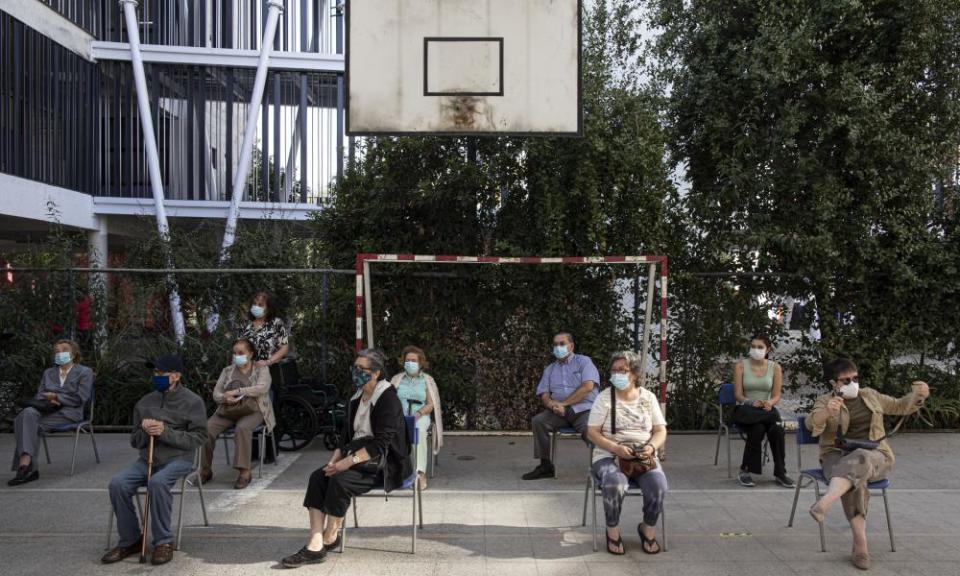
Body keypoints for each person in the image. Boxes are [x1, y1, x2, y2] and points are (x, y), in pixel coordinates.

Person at [281, 349, 412, 568]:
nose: (356, 372)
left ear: (377, 372)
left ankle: (330, 536)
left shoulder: (388, 398)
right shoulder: (355, 398)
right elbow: (345, 440)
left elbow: (381, 444)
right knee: (318, 477)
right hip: (358, 457)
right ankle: (315, 541)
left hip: (386, 464)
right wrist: (334, 461)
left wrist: (346, 463)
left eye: (362, 369)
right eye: (355, 367)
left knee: (339, 481)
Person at [806, 358, 929, 571]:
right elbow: (811, 424)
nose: (852, 383)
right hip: (836, 455)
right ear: (833, 383)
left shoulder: (870, 395)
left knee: (861, 457)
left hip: (876, 454)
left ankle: (824, 503)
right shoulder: (826, 400)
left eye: (855, 378)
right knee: (854, 479)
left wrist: (918, 396)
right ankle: (861, 546)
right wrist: (827, 412)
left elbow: (900, 406)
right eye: (846, 380)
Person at [101, 354, 208, 566]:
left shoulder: (193, 401)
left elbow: (199, 438)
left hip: (179, 458)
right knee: (118, 483)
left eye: (161, 373)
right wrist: (144, 430)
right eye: (155, 373)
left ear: (176, 376)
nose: (156, 376)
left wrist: (164, 432)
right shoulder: (144, 402)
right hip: (147, 458)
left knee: (157, 483)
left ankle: (163, 541)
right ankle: (130, 540)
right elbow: (135, 441)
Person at [586, 351, 668, 555]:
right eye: (614, 370)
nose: (617, 375)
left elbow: (660, 431)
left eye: (622, 370)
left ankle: (647, 528)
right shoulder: (604, 398)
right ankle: (612, 531)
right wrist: (615, 448)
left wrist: (650, 447)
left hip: (642, 455)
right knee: (615, 483)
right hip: (609, 454)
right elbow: (592, 432)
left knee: (658, 485)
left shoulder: (648, 398)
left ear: (635, 374)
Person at [8, 340, 93, 486]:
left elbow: (81, 398)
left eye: (64, 350)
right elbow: (40, 395)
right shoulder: (48, 373)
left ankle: (26, 466)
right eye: (56, 351)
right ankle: (27, 465)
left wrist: (56, 397)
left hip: (69, 412)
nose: (59, 353)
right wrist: (49, 399)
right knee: (27, 413)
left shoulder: (85, 372)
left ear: (73, 353)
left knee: (25, 424)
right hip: (47, 410)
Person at [522, 331, 600, 480]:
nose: (558, 347)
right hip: (558, 412)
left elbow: (588, 387)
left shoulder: (584, 362)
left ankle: (602, 466)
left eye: (562, 344)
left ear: (571, 346)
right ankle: (545, 465)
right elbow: (543, 393)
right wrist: (552, 405)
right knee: (539, 421)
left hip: (583, 410)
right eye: (555, 344)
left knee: (591, 432)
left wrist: (564, 404)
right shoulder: (550, 369)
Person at [201, 338, 275, 489]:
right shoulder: (227, 371)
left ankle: (244, 473)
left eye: (241, 353)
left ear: (251, 354)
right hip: (228, 409)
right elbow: (216, 393)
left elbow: (262, 388)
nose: (237, 356)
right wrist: (225, 397)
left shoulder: (261, 369)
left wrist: (239, 391)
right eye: (235, 353)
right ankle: (205, 470)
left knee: (242, 429)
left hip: (253, 410)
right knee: (206, 429)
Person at [731, 333, 795, 488]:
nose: (755, 350)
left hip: (766, 411)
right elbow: (738, 395)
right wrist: (751, 402)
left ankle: (780, 472)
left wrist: (769, 403)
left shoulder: (775, 367)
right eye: (753, 346)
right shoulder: (740, 366)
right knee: (758, 429)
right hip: (747, 411)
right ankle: (745, 471)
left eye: (760, 347)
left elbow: (776, 395)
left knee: (777, 431)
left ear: (767, 349)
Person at [390, 345, 443, 490]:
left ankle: (420, 473)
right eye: (407, 360)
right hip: (399, 416)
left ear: (420, 363)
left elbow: (431, 404)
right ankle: (398, 470)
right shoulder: (397, 379)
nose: (410, 363)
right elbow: (389, 400)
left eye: (414, 360)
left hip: (421, 415)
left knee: (418, 431)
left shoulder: (427, 380)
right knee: (390, 430)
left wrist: (418, 414)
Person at [238, 291, 290, 366]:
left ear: (268, 308)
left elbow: (284, 348)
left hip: (270, 370)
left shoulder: (276, 323)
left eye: (260, 305)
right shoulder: (245, 324)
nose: (256, 307)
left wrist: (268, 362)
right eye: (254, 304)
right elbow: (238, 348)